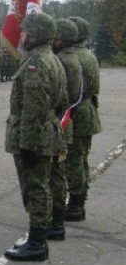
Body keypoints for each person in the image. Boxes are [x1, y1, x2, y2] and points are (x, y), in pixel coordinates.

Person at [3, 12, 67, 262]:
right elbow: (59, 102)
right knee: (41, 185)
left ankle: (37, 243)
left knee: (35, 188)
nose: (21, 35)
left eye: (25, 32)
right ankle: (38, 237)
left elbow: (35, 107)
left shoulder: (36, 63)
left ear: (36, 35)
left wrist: (28, 144)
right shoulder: (51, 59)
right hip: (46, 131)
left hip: (34, 136)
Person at [65, 17, 102, 221]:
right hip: (87, 110)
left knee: (74, 161)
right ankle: (78, 201)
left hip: (77, 112)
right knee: (80, 159)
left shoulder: (74, 57)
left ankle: (76, 206)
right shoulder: (88, 54)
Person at [50, 19, 82, 241]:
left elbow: (64, 96)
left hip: (60, 121)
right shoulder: (73, 58)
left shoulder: (65, 61)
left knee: (55, 173)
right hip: (66, 118)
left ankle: (55, 220)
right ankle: (59, 216)